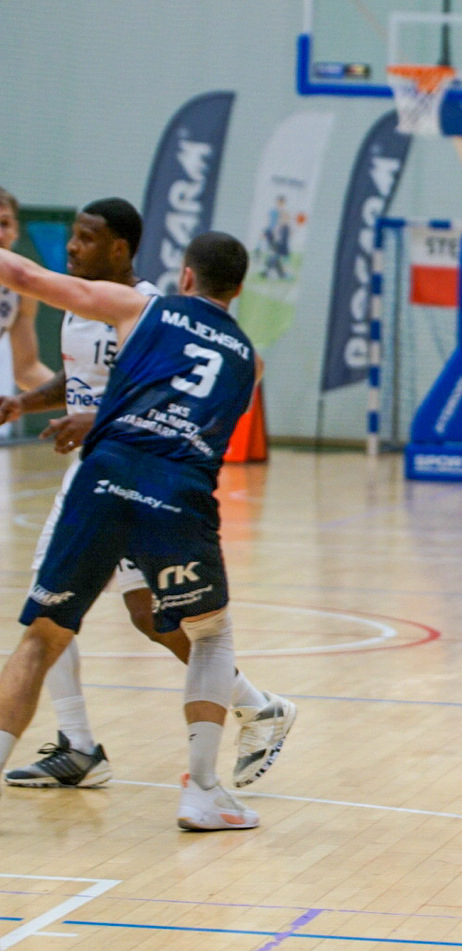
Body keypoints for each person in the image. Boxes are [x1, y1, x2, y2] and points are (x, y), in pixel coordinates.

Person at [0, 200, 294, 792]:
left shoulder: (152, 307)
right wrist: (25, 403)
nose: (72, 247)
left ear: (121, 249)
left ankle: (255, 705)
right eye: (72, 237)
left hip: (131, 461)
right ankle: (80, 743)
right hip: (109, 466)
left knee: (125, 617)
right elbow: (80, 382)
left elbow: (166, 392)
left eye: (86, 239)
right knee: (86, 610)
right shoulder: (83, 309)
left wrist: (98, 419)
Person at [0, 187, 55, 411]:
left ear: (16, 231)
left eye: (4, 224)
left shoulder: (21, 286)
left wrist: (78, 397)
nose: (0, 234)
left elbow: (26, 369)